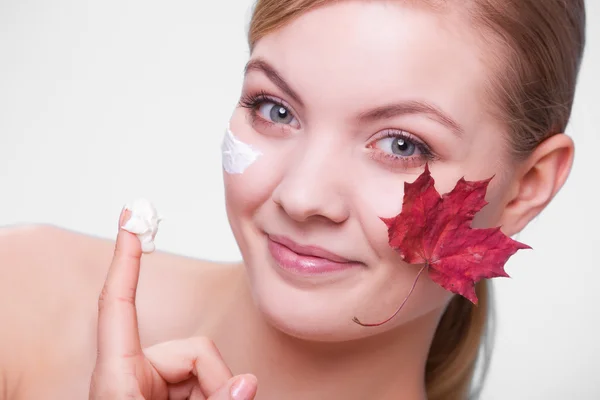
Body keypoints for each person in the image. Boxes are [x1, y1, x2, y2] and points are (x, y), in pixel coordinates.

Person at [0, 0, 586, 399]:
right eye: (275, 109)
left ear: (527, 187)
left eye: (402, 144)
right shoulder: (21, 293)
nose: (302, 196)